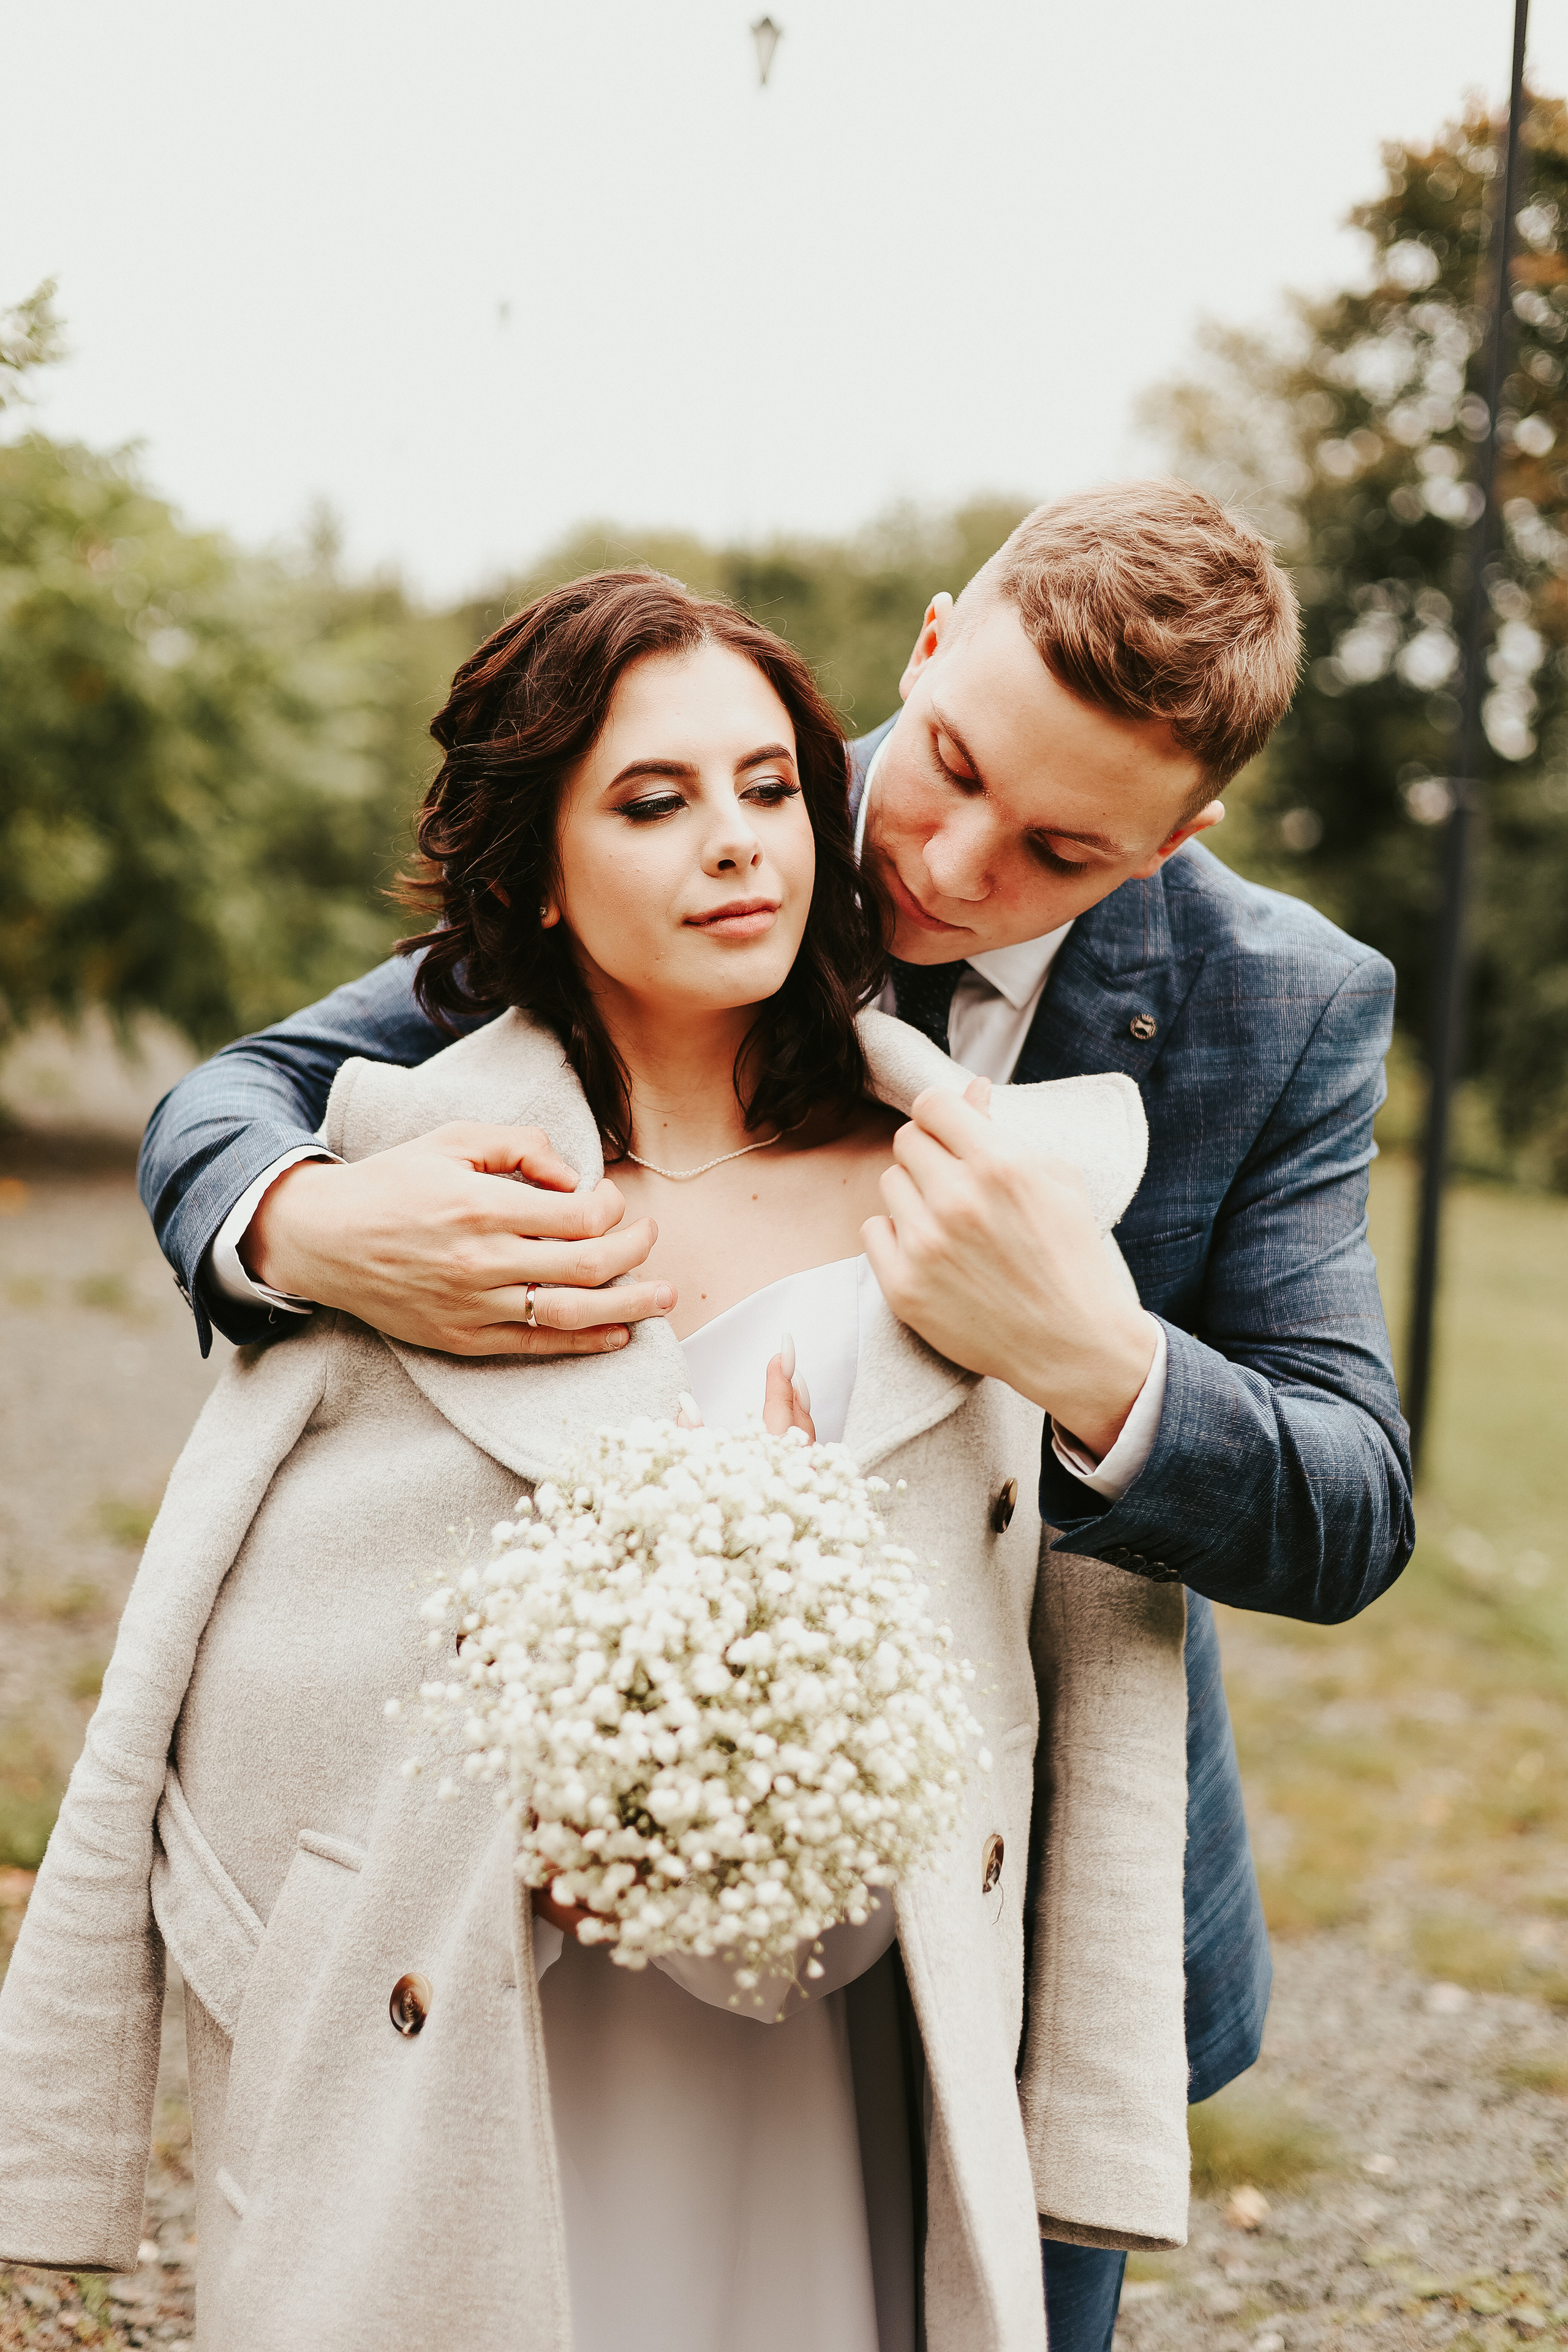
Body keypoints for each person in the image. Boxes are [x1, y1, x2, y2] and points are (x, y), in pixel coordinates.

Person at [136, 483, 1417, 2351]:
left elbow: (1352, 1500)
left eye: (1061, 847)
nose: (956, 863)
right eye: (952, 765)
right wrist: (312, 1219)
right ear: (927, 645)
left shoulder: (1283, 1006)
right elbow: (240, 1097)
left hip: (1022, 1863)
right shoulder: (720, 812)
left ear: (1177, 841)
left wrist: (1095, 1359)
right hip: (556, 1857)